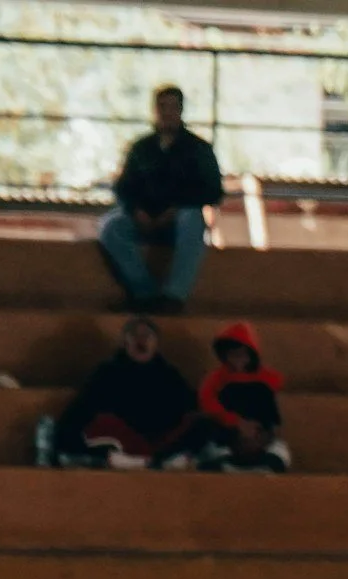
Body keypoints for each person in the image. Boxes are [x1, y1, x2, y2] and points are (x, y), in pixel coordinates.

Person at [98, 86, 223, 314]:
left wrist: (177, 208)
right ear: (155, 110)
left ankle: (173, 297)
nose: (167, 112)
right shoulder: (141, 149)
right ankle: (145, 294)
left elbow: (214, 190)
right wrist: (136, 210)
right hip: (143, 220)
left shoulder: (199, 149)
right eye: (162, 107)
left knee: (193, 219)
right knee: (110, 227)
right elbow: (124, 187)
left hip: (180, 224)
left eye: (173, 107)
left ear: (181, 110)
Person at [43, 316, 200, 468]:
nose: (141, 340)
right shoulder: (108, 372)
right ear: (126, 342)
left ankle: (159, 460)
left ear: (156, 343)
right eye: (135, 335)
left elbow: (187, 408)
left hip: (159, 441)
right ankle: (133, 461)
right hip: (118, 440)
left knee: (202, 425)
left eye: (147, 335)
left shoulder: (169, 374)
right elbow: (83, 407)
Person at [185, 321, 289, 473]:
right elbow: (207, 403)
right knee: (205, 431)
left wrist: (258, 430)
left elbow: (270, 411)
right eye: (232, 354)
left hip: (259, 432)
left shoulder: (265, 379)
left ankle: (263, 463)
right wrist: (235, 422)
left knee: (279, 449)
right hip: (226, 432)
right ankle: (222, 461)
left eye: (242, 354)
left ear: (251, 355)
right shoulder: (215, 378)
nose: (237, 359)